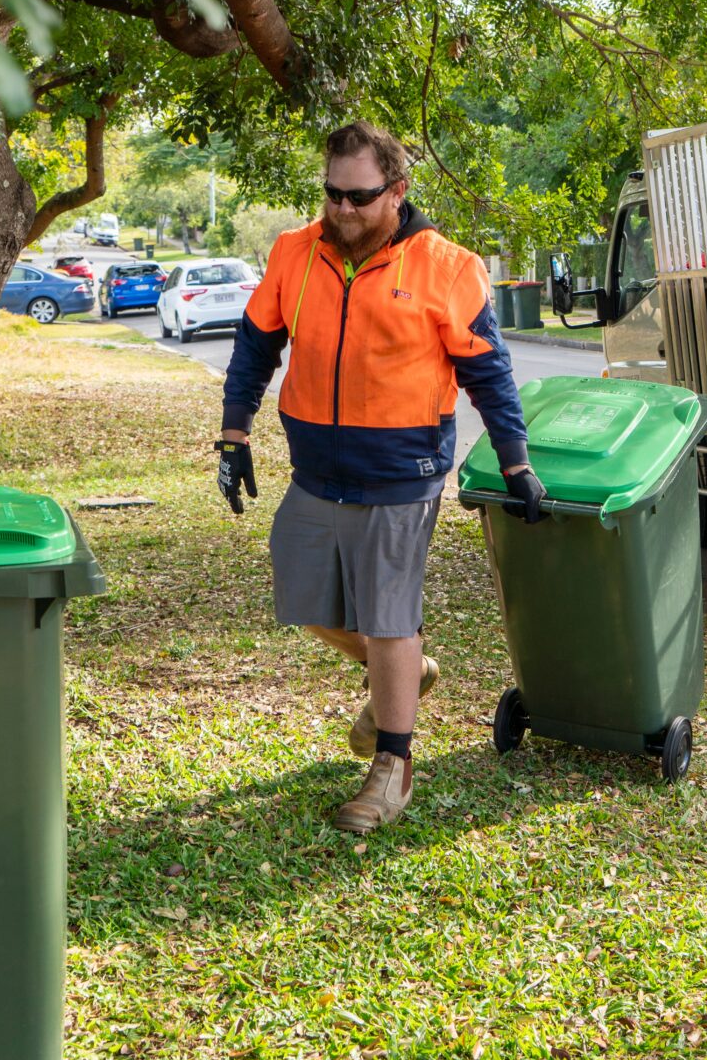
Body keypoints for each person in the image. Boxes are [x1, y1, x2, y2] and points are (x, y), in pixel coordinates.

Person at [214, 121, 546, 833]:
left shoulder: (447, 266)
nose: (342, 210)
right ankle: (408, 672)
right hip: (316, 469)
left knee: (390, 616)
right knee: (305, 599)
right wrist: (234, 431)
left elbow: (488, 370)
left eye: (359, 196)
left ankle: (393, 770)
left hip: (404, 469)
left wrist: (515, 459)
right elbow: (255, 345)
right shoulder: (295, 253)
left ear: (397, 190)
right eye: (331, 194)